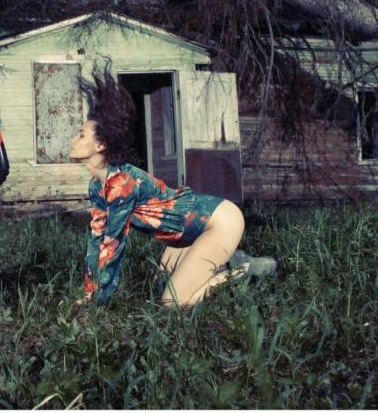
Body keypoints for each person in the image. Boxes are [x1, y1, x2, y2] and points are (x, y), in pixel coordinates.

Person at [71, 60, 274, 307]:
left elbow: (112, 246)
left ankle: (242, 269)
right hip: (184, 235)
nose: (74, 139)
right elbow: (97, 240)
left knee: (172, 303)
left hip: (220, 221)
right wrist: (88, 292)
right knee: (159, 287)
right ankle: (221, 261)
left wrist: (98, 302)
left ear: (100, 146)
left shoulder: (122, 184)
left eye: (81, 135)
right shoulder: (97, 186)